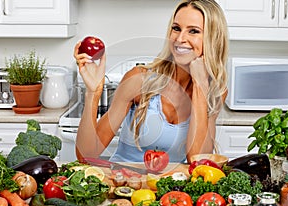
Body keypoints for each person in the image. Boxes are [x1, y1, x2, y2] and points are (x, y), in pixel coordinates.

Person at [73, 0, 229, 163]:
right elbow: (86, 155)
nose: (180, 38)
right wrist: (93, 92)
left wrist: (200, 86)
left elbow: (199, 162)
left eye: (193, 31)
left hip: (168, 187)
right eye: (176, 28)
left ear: (213, 38)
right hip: (124, 184)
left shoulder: (215, 92)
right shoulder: (140, 80)